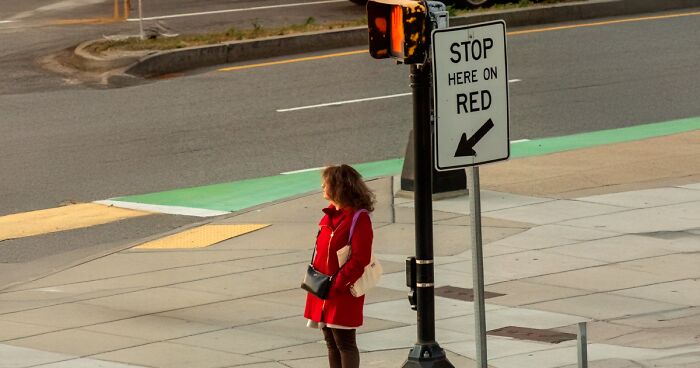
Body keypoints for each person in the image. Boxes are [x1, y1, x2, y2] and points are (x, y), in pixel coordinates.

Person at [304, 164, 375, 368]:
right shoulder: (329, 216)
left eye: (326, 183)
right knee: (331, 343)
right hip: (323, 289)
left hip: (341, 291)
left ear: (338, 187)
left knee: (345, 343)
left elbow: (360, 258)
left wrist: (337, 284)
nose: (322, 186)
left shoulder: (358, 218)